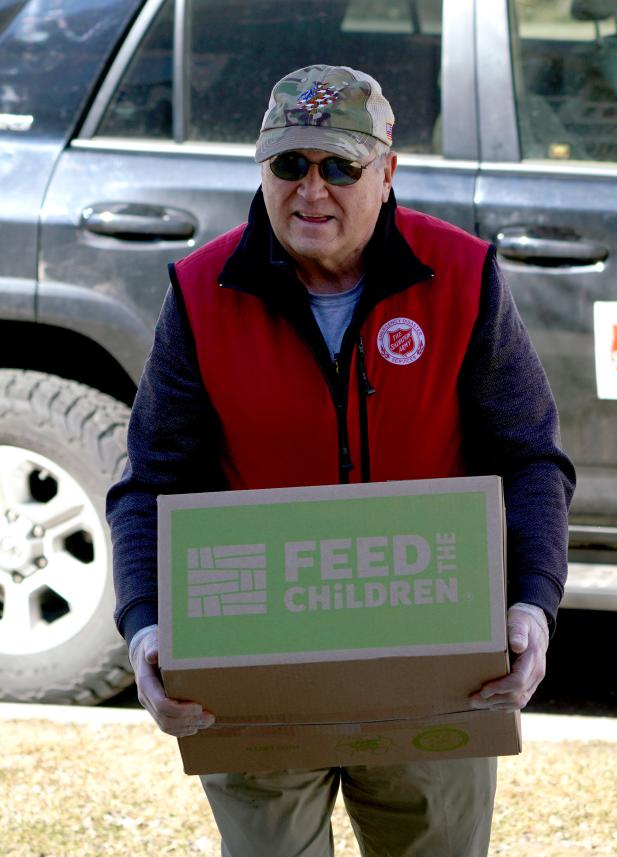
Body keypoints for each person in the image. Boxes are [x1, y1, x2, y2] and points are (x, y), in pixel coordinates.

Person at [107, 64, 575, 857]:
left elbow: (530, 458)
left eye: (339, 167)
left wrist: (532, 600)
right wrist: (146, 624)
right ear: (261, 170)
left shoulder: (461, 278)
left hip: (433, 665)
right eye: (288, 166)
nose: (310, 191)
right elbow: (152, 479)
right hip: (256, 672)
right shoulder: (200, 290)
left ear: (387, 172)